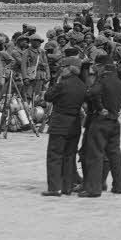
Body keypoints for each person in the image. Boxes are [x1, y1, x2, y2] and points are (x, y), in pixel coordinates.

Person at [81, 54, 121, 196]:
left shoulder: (102, 81)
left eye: (96, 66)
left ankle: (94, 189)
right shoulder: (119, 82)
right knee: (115, 155)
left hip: (100, 122)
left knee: (95, 155)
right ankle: (119, 186)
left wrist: (100, 108)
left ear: (102, 67)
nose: (95, 68)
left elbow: (91, 94)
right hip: (114, 122)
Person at [41, 55, 90, 196]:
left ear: (70, 68)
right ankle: (67, 187)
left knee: (54, 156)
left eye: (63, 67)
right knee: (69, 156)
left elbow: (48, 96)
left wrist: (56, 82)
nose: (61, 69)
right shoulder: (82, 85)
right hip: (74, 124)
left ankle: (54, 188)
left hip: (59, 123)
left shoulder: (62, 83)